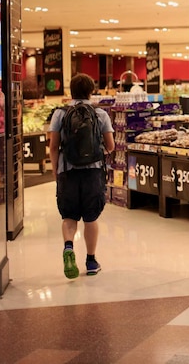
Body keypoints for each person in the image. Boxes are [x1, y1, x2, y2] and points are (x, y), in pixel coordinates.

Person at [48, 73, 115, 279]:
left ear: (70, 90)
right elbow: (111, 146)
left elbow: (53, 146)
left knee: (69, 216)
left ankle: (69, 247)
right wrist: (96, 154)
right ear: (91, 91)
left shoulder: (60, 113)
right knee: (90, 217)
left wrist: (55, 170)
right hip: (93, 172)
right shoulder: (100, 114)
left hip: (67, 171)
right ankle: (91, 260)